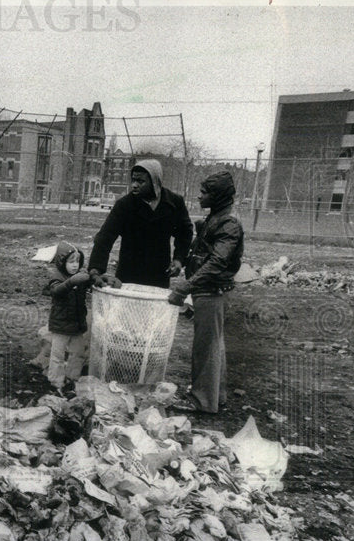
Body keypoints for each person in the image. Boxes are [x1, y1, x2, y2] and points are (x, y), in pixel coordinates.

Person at [167, 171, 245, 414]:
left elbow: (217, 262)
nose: (199, 196)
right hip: (208, 290)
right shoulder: (218, 218)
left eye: (205, 192)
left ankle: (202, 400)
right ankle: (214, 396)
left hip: (211, 291)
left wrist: (186, 286)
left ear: (219, 196)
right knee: (213, 345)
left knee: (205, 347)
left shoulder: (228, 223)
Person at [88, 159, 193, 289]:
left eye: (141, 181)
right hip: (129, 272)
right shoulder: (125, 205)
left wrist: (179, 259)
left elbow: (185, 232)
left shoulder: (174, 203)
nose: (134, 185)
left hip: (159, 273)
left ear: (155, 182)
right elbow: (105, 237)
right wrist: (95, 270)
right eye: (133, 180)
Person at [42, 242, 93, 392]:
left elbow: (90, 284)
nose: (75, 265)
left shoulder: (80, 276)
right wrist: (70, 282)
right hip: (61, 324)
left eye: (77, 261)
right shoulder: (57, 277)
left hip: (77, 324)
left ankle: (72, 379)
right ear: (62, 262)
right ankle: (55, 382)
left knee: (78, 353)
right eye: (71, 261)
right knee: (57, 354)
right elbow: (56, 291)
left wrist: (97, 279)